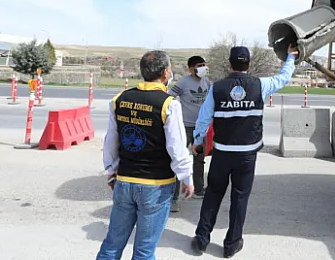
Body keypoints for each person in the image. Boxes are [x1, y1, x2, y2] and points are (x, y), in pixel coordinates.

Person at [189, 44, 298, 258]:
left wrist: (197, 141)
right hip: (247, 155)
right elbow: (284, 78)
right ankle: (232, 244)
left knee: (213, 194)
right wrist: (290, 58)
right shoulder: (261, 85)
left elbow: (203, 118)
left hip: (222, 153)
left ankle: (202, 239)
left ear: (230, 64)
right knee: (240, 198)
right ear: (248, 64)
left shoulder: (217, 88)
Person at [97, 50, 195, 260]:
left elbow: (111, 142)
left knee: (111, 246)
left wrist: (111, 171)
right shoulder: (169, 104)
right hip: (156, 185)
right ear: (166, 73)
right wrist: (187, 179)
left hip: (125, 181)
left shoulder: (120, 99)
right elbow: (177, 150)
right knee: (144, 251)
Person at [168, 55, 212, 211]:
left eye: (204, 65)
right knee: (178, 160)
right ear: (191, 68)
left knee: (199, 160)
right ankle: (173, 198)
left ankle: (199, 190)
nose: (203, 68)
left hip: (201, 128)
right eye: (200, 65)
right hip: (184, 127)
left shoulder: (207, 82)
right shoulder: (183, 83)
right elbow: (169, 98)